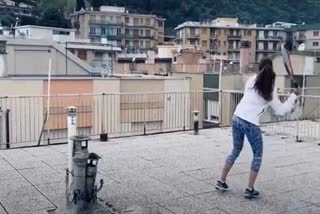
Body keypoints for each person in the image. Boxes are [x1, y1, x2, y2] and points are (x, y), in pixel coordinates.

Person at [215, 57, 301, 199]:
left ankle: (221, 181)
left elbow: (247, 97)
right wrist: (293, 96)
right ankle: (249, 189)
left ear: (259, 68)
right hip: (250, 123)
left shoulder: (251, 80)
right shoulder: (270, 89)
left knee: (236, 149)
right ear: (271, 69)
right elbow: (280, 110)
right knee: (258, 155)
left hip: (236, 117)